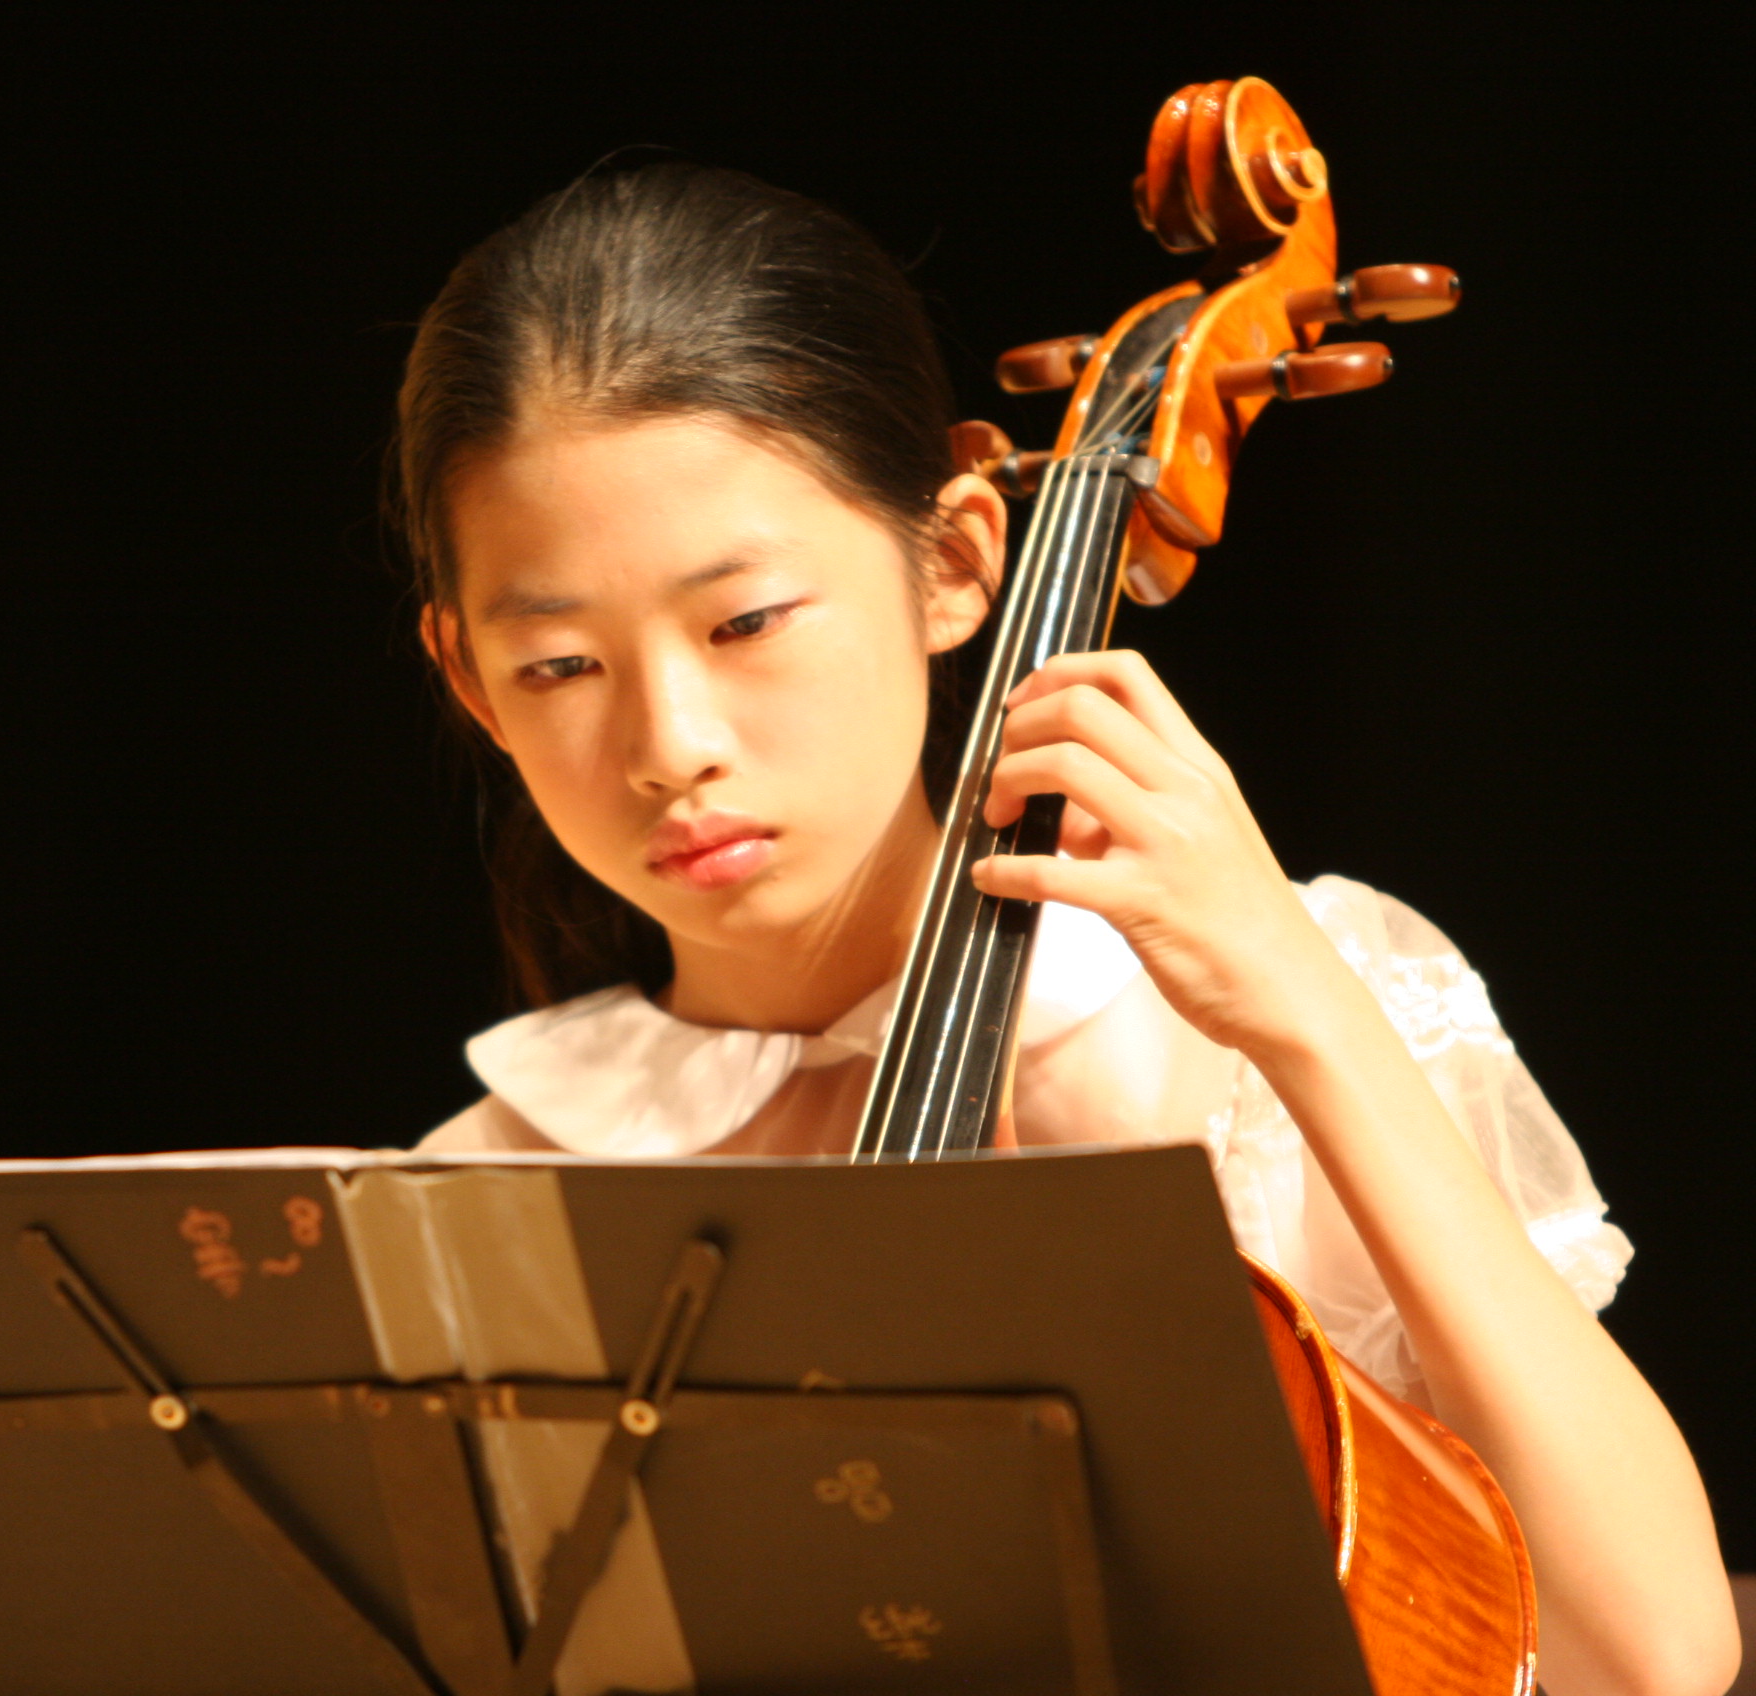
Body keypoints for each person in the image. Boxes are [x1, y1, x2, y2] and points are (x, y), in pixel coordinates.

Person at [392, 160, 1738, 1695]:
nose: (669, 743)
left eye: (745, 621)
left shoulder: (1260, 1037)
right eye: (561, 665)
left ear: (958, 562)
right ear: (467, 678)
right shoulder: (478, 1201)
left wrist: (1305, 1012)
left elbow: (1652, 1658)